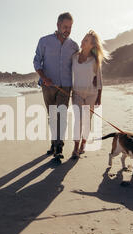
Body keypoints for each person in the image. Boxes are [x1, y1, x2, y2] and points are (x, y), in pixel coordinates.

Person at [33, 12, 79, 162]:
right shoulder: (44, 41)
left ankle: (59, 147)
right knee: (52, 116)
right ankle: (53, 143)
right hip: (48, 86)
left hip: (65, 86)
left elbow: (78, 66)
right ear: (58, 25)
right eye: (65, 26)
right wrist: (44, 77)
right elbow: (37, 62)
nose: (68, 30)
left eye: (70, 27)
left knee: (62, 116)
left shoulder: (73, 46)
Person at [71, 30, 109, 159]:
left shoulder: (95, 60)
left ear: (92, 45)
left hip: (91, 94)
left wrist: (99, 96)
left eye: (86, 40)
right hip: (76, 93)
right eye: (83, 38)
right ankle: (75, 148)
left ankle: (83, 144)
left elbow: (99, 79)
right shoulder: (74, 57)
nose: (82, 41)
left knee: (87, 121)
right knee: (78, 121)